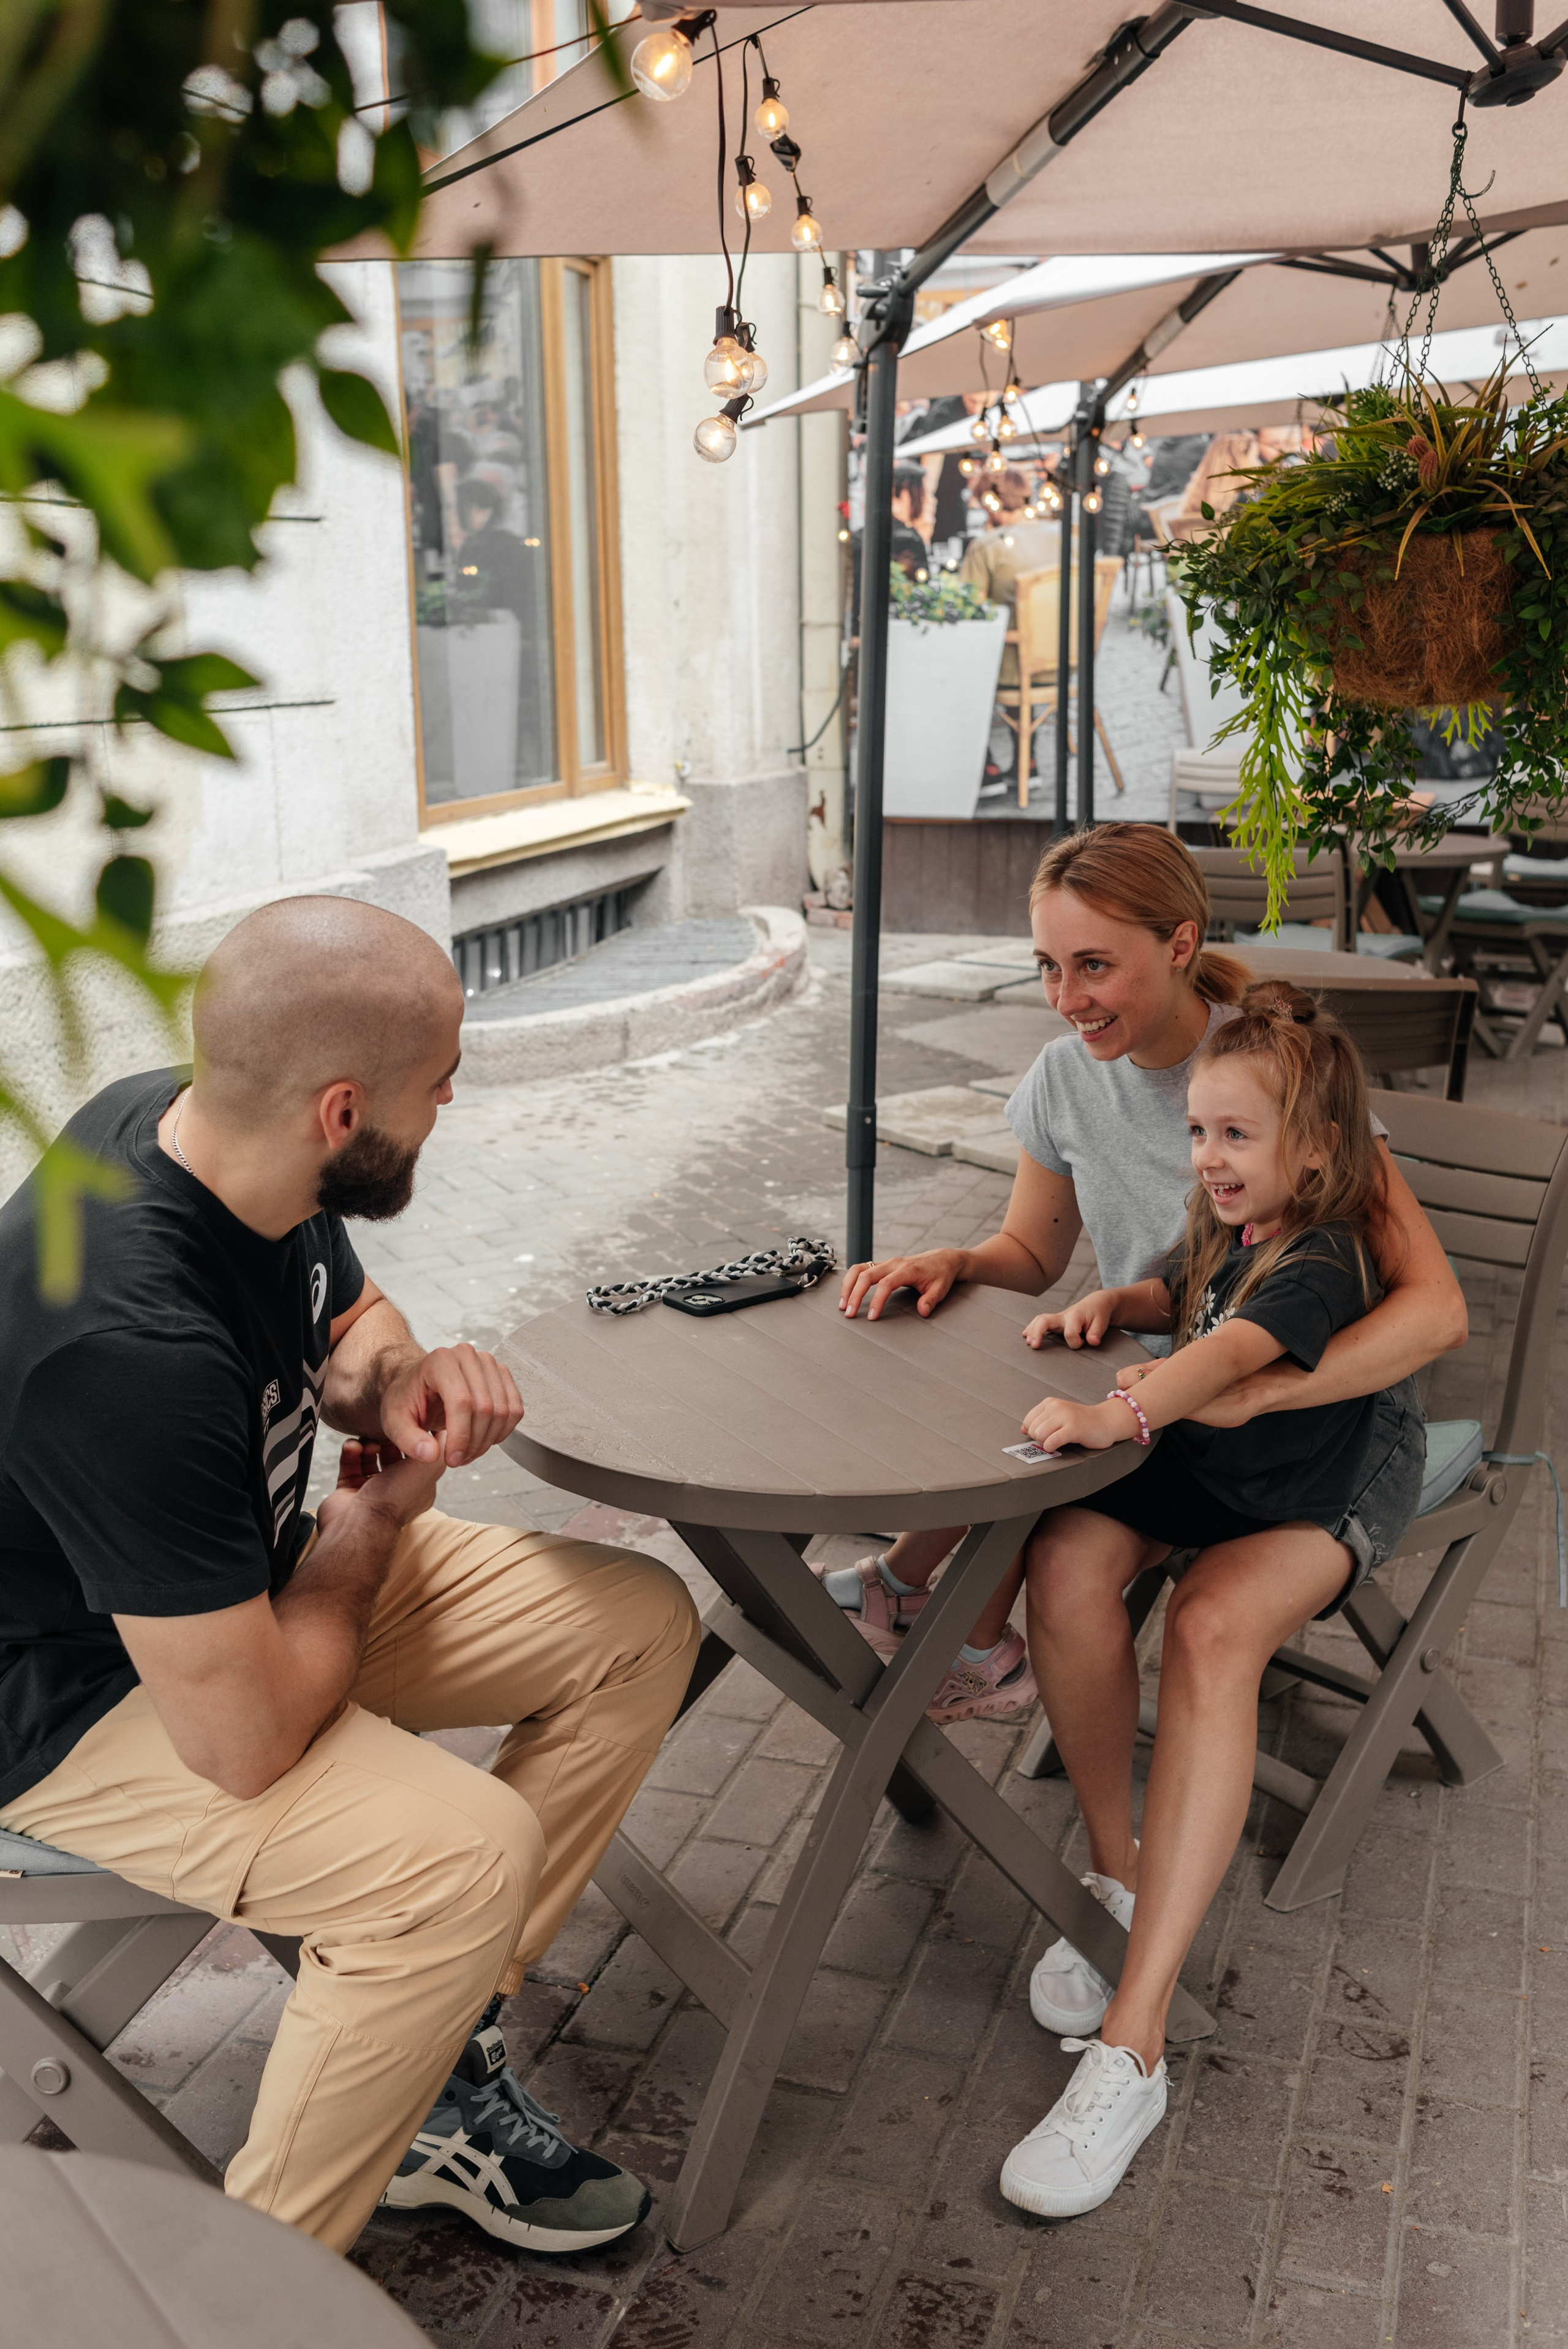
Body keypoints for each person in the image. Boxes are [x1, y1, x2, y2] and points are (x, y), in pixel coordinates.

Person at [0, 896, 700, 2258]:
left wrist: (398, 1380)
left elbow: (350, 1316)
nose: (450, 1100)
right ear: (342, 1111)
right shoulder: (125, 1345)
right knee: (459, 1859)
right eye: (439, 1079)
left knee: (633, 1621)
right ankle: (250, 2301)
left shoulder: (216, 1128)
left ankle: (432, 2063)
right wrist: (368, 1525)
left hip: (233, 1597)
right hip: (73, 1694)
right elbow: (247, 1741)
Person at [834, 825, 1463, 1726]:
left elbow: (1437, 1312)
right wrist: (957, 1260)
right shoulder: (1065, 1075)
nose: (1067, 999)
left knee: (1036, 1463)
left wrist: (1266, 1391)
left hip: (1322, 1421)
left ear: (1180, 944)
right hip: (1166, 1392)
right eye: (1048, 967)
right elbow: (1034, 1256)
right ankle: (915, 1599)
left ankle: (936, 1621)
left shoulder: (1275, 1069)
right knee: (1019, 1411)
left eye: (1093, 965)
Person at [1000, 981, 1421, 2217]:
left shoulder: (1323, 1256)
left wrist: (1117, 1410)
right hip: (1214, 1466)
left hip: (1299, 1490)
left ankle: (1133, 2050)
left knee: (1203, 1627)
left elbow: (1231, 1349)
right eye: (1198, 1131)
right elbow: (1188, 1298)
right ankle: (1117, 1877)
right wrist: (1115, 1304)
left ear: (1316, 1149)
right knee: (1061, 1556)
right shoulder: (1232, 1221)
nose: (1208, 1157)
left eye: (1235, 1135)